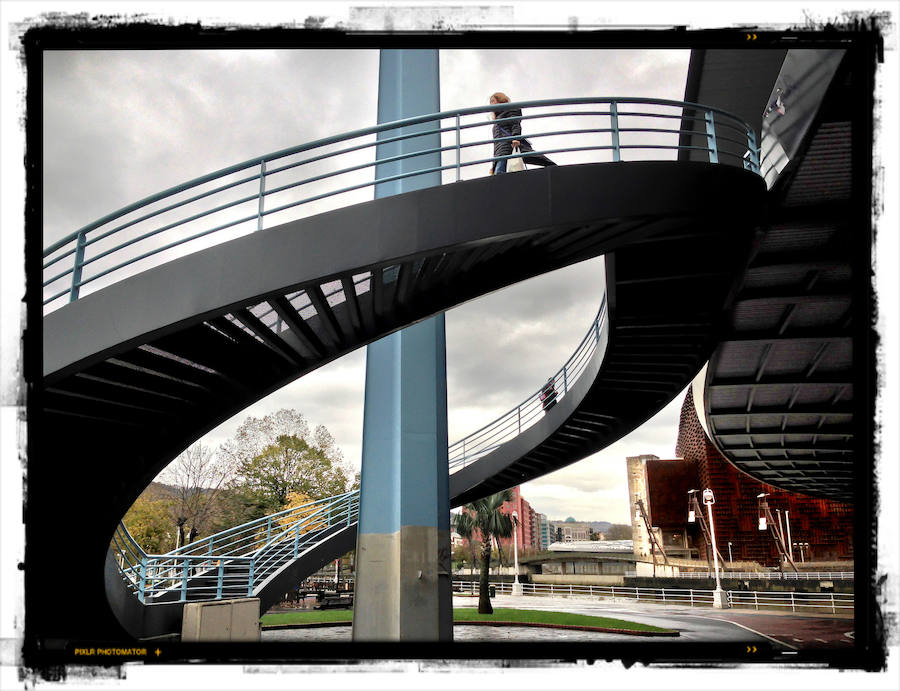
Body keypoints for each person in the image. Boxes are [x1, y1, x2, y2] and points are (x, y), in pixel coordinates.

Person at [488, 92, 557, 175]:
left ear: (500, 100)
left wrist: (515, 138)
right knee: (500, 174)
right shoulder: (497, 120)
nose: (491, 104)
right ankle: (553, 168)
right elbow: (497, 144)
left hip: (508, 147)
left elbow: (515, 125)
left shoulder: (509, 111)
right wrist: (494, 164)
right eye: (490, 102)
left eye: (493, 101)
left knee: (499, 175)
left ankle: (554, 169)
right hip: (501, 152)